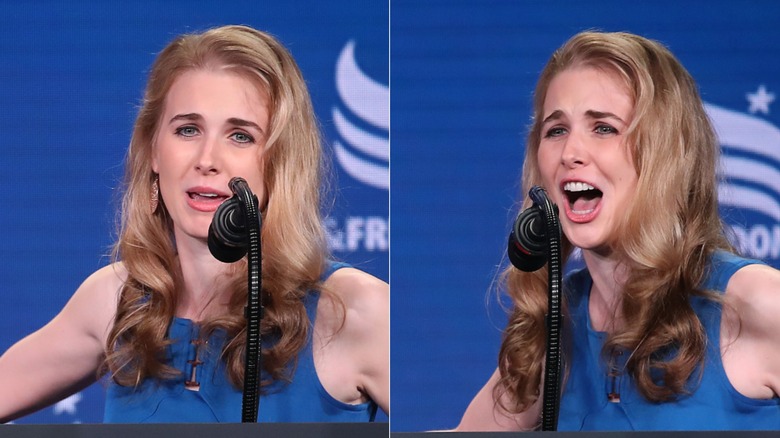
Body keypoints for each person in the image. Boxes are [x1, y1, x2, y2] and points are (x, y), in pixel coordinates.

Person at [0, 25, 388, 423]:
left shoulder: (352, 310)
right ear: (153, 151)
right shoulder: (116, 300)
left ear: (279, 162)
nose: (207, 158)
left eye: (240, 136)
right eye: (188, 129)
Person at [457, 31, 780, 431]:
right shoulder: (554, 325)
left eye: (604, 128)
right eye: (556, 130)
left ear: (667, 154)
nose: (571, 152)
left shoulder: (756, 304)